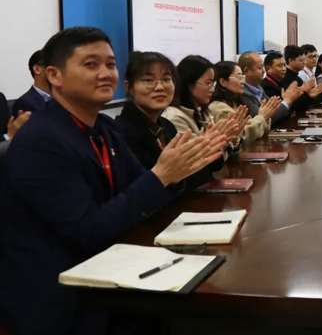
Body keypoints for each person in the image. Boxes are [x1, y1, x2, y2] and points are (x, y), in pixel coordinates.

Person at [0, 27, 227, 335]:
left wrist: (176, 172)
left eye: (110, 64)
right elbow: (87, 231)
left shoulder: (104, 127)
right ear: (54, 75)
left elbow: (142, 189)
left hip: (110, 271)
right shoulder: (41, 140)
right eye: (90, 64)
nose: (106, 73)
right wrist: (162, 175)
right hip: (62, 297)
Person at [164, 56, 246, 186]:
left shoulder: (203, 110)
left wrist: (230, 138)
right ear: (189, 84)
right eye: (208, 83)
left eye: (213, 84)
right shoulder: (175, 117)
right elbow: (196, 165)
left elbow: (222, 156)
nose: (212, 89)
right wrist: (220, 141)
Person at [209, 61, 281, 143]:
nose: (243, 82)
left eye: (243, 77)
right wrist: (262, 117)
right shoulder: (219, 108)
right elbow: (241, 135)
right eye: (239, 77)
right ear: (223, 82)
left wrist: (265, 116)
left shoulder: (235, 102)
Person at [238, 51, 299, 124]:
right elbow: (264, 120)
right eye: (260, 68)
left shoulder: (259, 88)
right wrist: (287, 101)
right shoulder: (243, 93)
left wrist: (288, 100)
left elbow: (274, 111)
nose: (263, 71)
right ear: (247, 71)